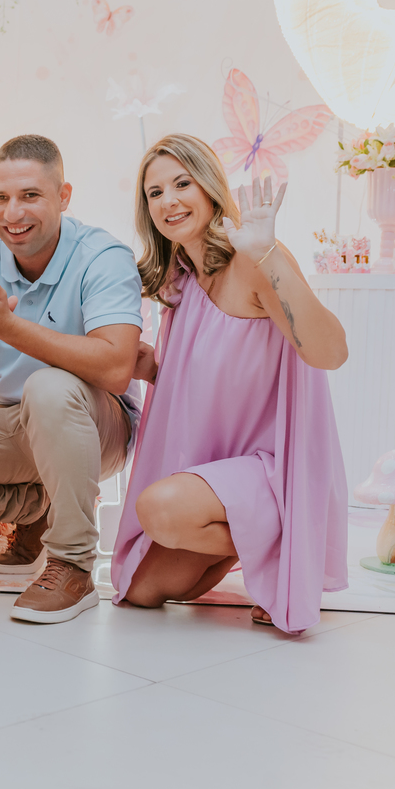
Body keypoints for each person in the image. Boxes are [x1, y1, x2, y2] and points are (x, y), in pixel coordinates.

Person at [110, 134, 348, 634]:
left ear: (210, 187)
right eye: (155, 192)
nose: (169, 201)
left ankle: (289, 543)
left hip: (269, 469)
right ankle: (262, 545)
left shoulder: (254, 260)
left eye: (182, 184)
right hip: (218, 471)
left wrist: (268, 254)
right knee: (141, 590)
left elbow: (331, 352)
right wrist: (149, 365)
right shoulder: (180, 279)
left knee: (160, 509)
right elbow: (211, 376)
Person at [0, 134, 143, 624]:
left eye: (30, 195)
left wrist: (7, 327)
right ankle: (34, 507)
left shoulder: (102, 256)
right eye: (0, 198)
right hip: (12, 418)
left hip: (97, 424)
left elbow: (116, 368)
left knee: (48, 387)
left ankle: (73, 565)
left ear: (63, 197)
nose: (12, 213)